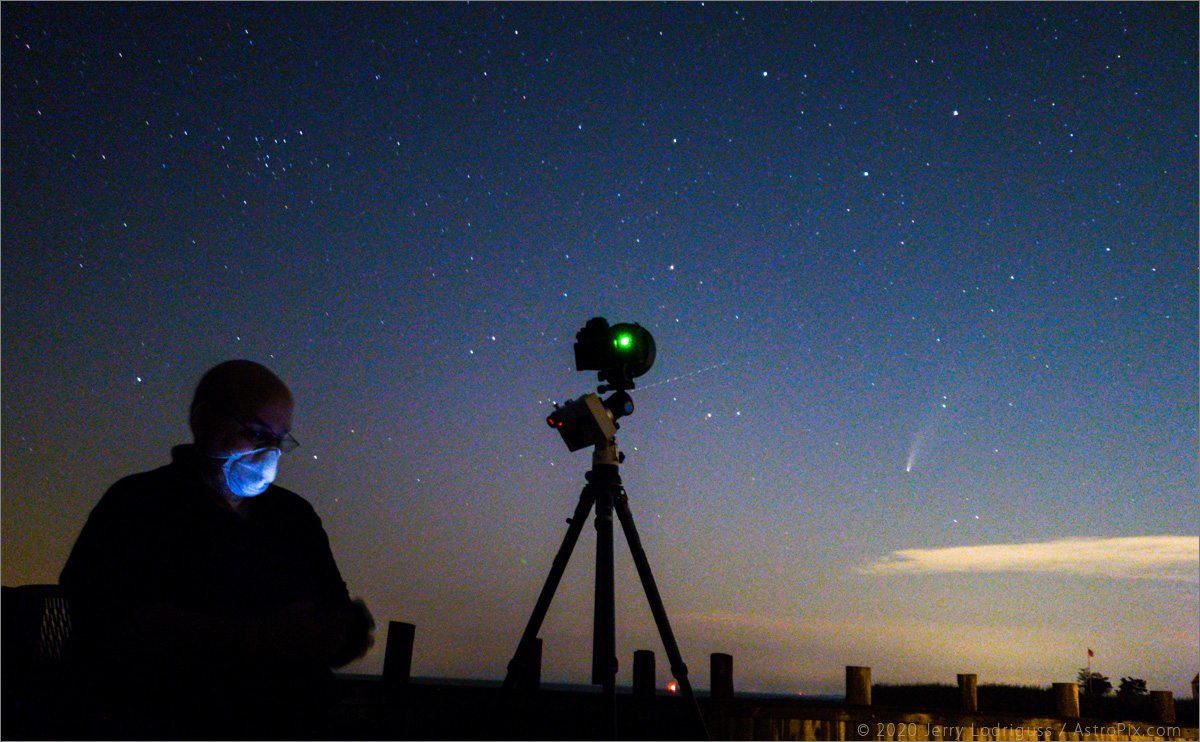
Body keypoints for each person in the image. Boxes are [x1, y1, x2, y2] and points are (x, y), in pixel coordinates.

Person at [59, 360, 373, 739]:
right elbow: (103, 618)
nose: (268, 453)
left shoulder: (295, 516)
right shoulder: (138, 503)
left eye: (279, 440)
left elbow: (331, 609)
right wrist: (259, 637)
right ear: (203, 419)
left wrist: (342, 632)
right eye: (257, 432)